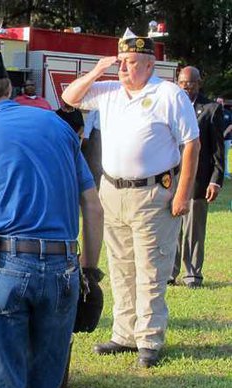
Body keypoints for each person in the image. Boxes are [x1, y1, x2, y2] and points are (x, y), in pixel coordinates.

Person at [0, 43, 104, 388]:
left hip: (7, 270)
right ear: (6, 87)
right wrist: (88, 273)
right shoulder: (60, 127)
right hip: (63, 270)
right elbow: (94, 207)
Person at [62, 28, 200, 368]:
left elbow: (191, 144)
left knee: (151, 268)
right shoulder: (108, 90)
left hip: (154, 192)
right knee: (121, 267)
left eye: (132, 62)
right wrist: (97, 71)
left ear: (150, 65)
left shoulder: (169, 94)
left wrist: (182, 193)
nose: (124, 68)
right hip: (113, 190)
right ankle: (124, 334)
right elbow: (69, 97)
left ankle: (149, 340)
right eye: (121, 61)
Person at [172, 67, 225, 288]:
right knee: (172, 228)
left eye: (190, 83)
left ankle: (193, 273)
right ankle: (169, 271)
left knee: (193, 228)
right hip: (171, 178)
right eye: (182, 82)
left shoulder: (211, 109)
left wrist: (215, 179)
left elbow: (218, 150)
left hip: (198, 179)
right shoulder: (171, 107)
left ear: (199, 83)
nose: (186, 86)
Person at [81, 109, 103, 187]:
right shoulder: (103, 97)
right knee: (95, 164)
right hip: (98, 133)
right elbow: (91, 116)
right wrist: (86, 136)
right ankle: (94, 188)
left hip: (112, 133)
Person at [217, 97, 232, 179]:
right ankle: (217, 174)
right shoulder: (214, 112)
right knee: (216, 156)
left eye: (221, 102)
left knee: (225, 156)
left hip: (226, 139)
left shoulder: (228, 113)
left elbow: (231, 125)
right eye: (218, 102)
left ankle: (226, 174)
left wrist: (224, 133)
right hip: (216, 139)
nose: (219, 103)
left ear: (223, 103)